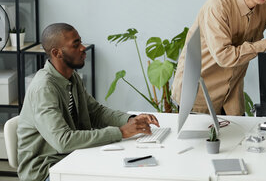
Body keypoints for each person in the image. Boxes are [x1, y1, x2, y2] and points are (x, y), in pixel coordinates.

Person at [17, 23, 160, 181]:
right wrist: (121, 132)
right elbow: (62, 141)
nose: (83, 48)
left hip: (72, 156)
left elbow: (96, 112)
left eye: (81, 42)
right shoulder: (44, 89)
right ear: (57, 53)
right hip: (46, 169)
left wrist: (131, 120)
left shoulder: (72, 77)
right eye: (75, 45)